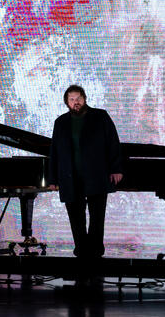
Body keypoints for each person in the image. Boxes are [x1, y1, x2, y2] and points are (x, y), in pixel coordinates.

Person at [48, 85, 123, 258]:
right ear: (67, 102)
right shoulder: (60, 122)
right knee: (76, 217)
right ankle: (81, 251)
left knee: (97, 216)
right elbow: (54, 152)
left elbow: (113, 143)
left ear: (85, 98)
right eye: (72, 99)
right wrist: (53, 178)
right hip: (70, 177)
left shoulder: (100, 116)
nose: (76, 102)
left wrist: (116, 168)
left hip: (96, 174)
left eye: (78, 98)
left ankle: (96, 251)